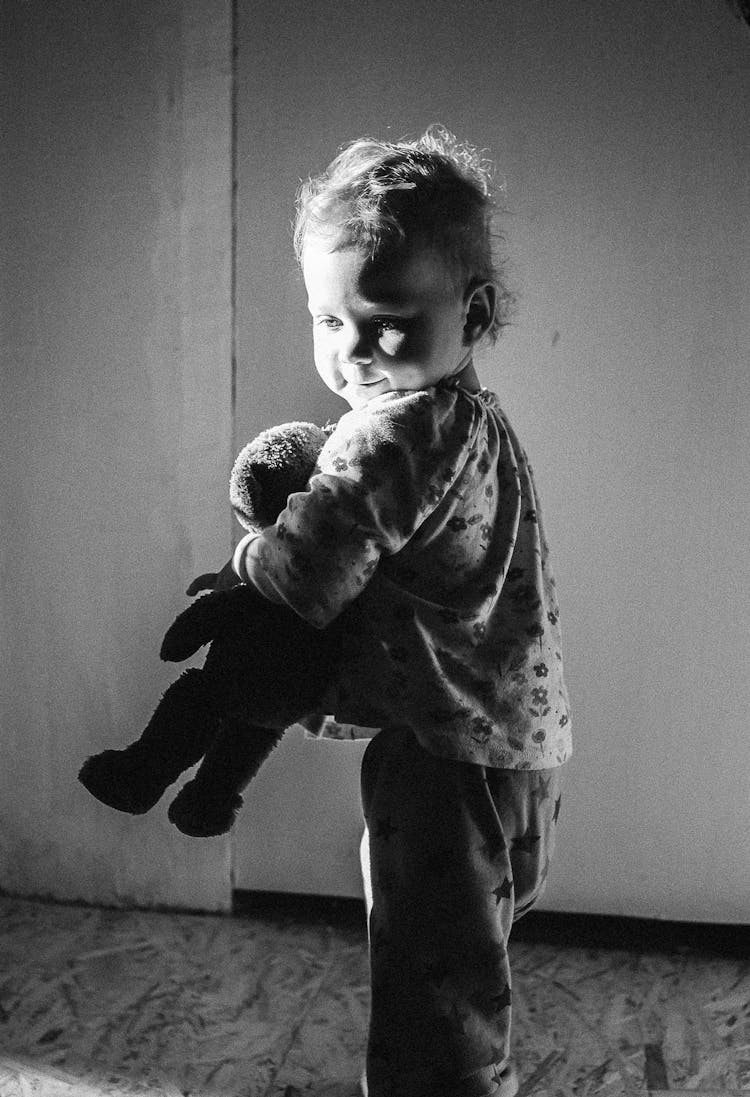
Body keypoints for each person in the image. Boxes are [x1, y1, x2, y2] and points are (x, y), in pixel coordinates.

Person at [228, 126, 572, 1097]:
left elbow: (309, 572)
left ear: (475, 311)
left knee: (436, 1012)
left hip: (446, 757)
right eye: (326, 320)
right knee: (463, 963)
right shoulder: (468, 412)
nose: (351, 352)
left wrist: (245, 559)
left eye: (383, 319)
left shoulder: (393, 438)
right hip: (519, 747)